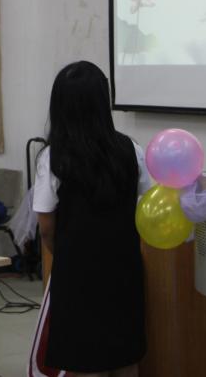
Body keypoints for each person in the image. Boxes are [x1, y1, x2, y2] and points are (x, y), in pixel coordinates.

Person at [33, 61, 152, 377]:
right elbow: (147, 207)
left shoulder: (52, 156)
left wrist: (67, 253)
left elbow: (46, 228)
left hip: (76, 272)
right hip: (123, 268)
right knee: (126, 356)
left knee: (84, 360)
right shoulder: (131, 150)